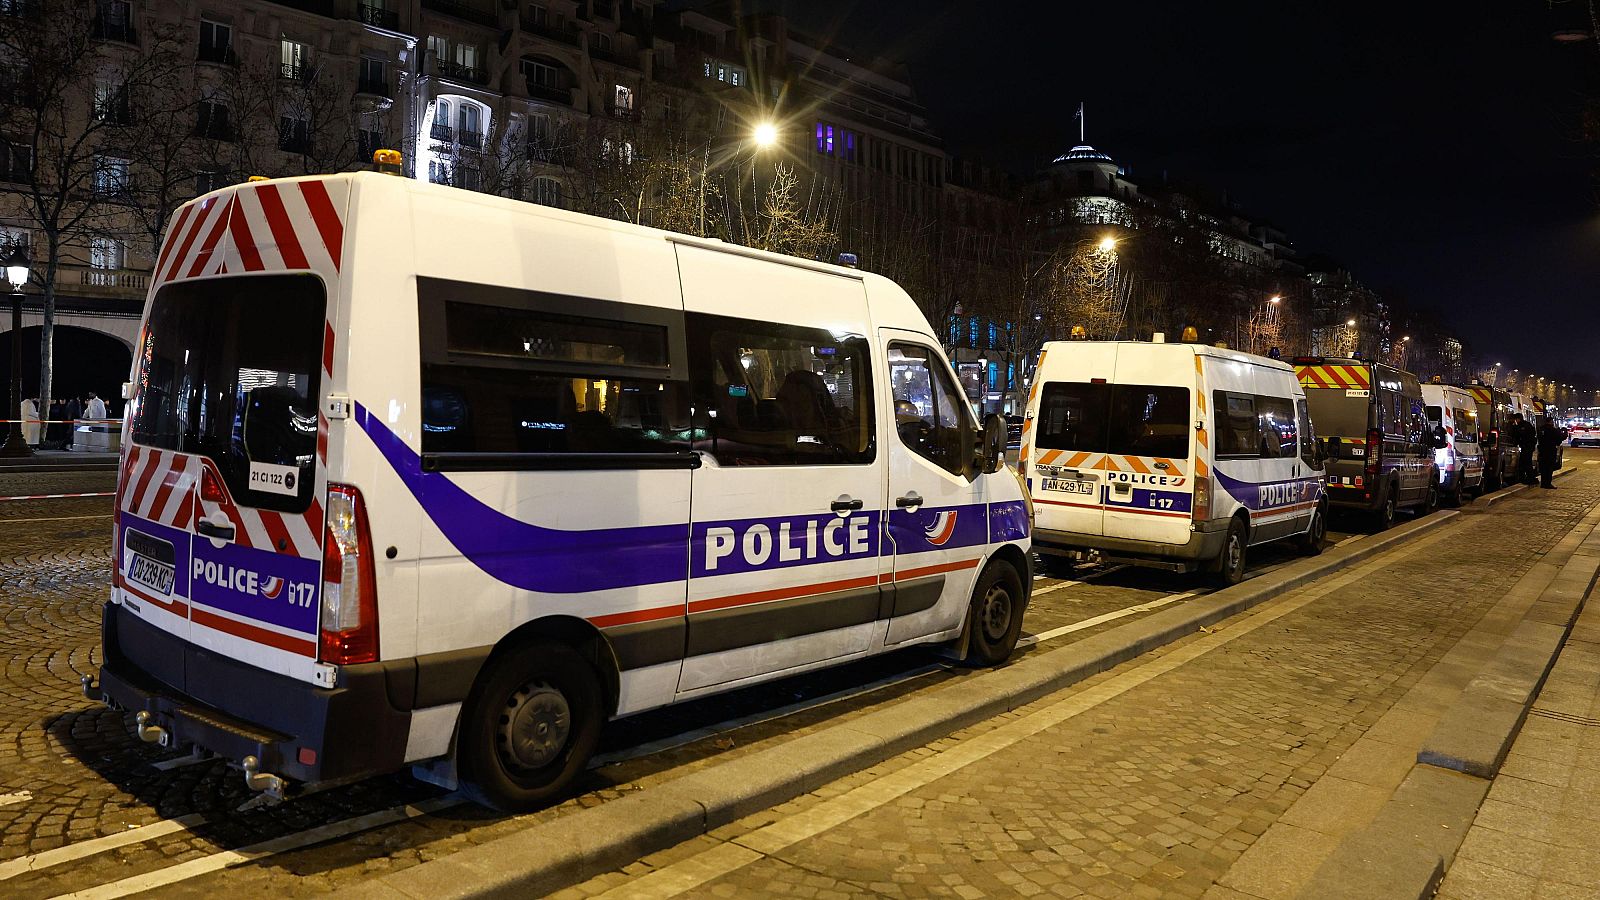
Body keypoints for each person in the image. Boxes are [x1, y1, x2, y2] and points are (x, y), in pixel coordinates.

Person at [1511, 414, 1536, 485]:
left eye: (1516, 419)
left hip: (1527, 446)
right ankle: (1529, 478)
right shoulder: (1527, 424)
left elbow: (1519, 435)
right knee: (1526, 462)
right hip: (1528, 446)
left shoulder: (1522, 426)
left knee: (1525, 463)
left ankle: (1527, 478)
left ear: (1518, 419)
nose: (1516, 421)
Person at [1538, 418, 1564, 489]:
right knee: (1549, 468)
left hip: (1542, 451)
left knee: (1543, 468)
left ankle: (1543, 483)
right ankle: (1547, 483)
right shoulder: (1553, 430)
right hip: (1550, 451)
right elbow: (1558, 440)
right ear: (1551, 422)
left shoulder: (1541, 429)